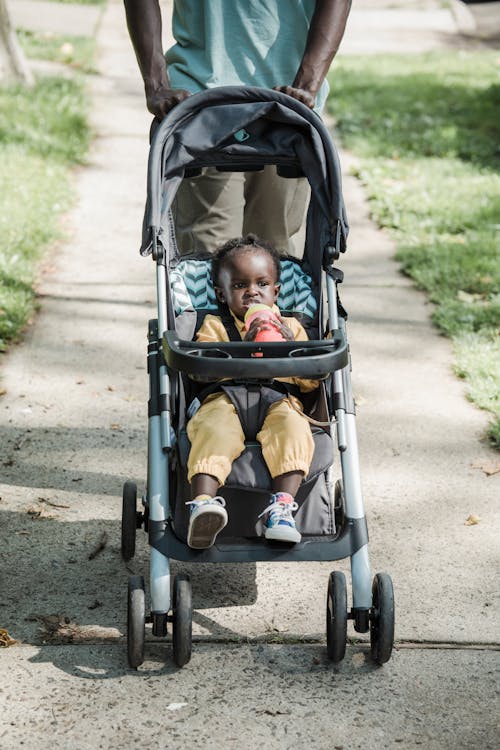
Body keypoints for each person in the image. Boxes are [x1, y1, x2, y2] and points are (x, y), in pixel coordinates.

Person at [124, 0, 352, 256]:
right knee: (209, 253)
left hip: (288, 111)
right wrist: (156, 84)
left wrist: (307, 86)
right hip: (203, 105)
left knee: (273, 255)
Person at [185, 234, 320, 549]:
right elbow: (201, 370)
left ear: (276, 291)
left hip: (279, 399)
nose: (252, 292)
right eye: (239, 286)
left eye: (262, 284)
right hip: (226, 398)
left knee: (294, 427)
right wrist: (244, 346)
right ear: (221, 294)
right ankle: (203, 504)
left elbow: (311, 383)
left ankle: (282, 508)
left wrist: (290, 349)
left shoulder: (292, 327)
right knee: (212, 427)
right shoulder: (216, 327)